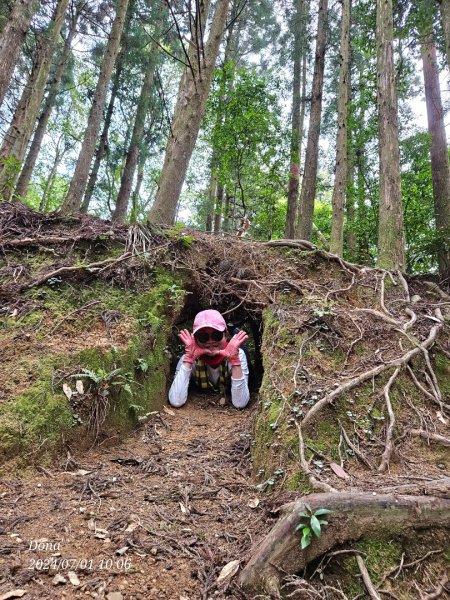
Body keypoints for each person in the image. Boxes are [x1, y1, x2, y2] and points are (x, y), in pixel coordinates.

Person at [168, 309, 250, 409]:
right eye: (203, 337)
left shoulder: (237, 354)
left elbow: (240, 403)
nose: (210, 341)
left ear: (225, 334)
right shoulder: (189, 357)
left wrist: (235, 360)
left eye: (216, 335)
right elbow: (176, 401)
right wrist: (189, 359)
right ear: (195, 339)